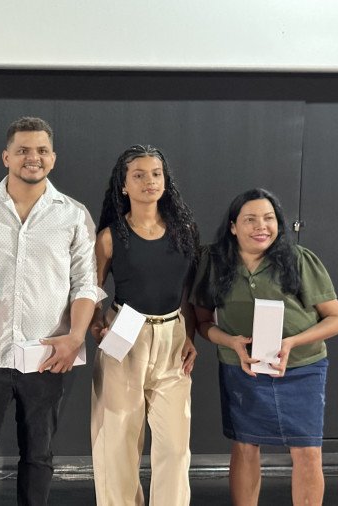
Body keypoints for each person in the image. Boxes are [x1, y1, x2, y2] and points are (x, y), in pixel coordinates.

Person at [0, 117, 100, 505]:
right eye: (23, 150)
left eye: (41, 150)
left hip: (47, 356)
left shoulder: (74, 214)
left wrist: (76, 337)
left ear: (53, 157)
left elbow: (85, 284)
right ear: (6, 157)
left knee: (38, 456)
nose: (33, 158)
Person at [190, 188, 338, 506]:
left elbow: (337, 318)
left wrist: (292, 342)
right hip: (243, 366)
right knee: (245, 446)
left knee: (307, 450)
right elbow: (203, 323)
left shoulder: (299, 259)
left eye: (269, 218)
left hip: (302, 367)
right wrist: (231, 342)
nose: (261, 226)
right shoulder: (214, 261)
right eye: (250, 219)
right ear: (233, 226)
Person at [88, 145, 199, 505]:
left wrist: (190, 336)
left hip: (172, 335)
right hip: (125, 332)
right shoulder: (110, 237)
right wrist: (96, 323)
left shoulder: (184, 233)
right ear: (123, 185)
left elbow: (187, 291)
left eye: (156, 174)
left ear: (165, 181)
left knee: (175, 447)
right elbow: (92, 288)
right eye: (138, 175)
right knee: (117, 441)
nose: (149, 181)